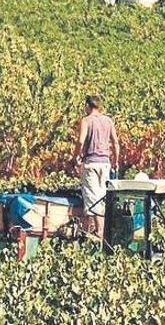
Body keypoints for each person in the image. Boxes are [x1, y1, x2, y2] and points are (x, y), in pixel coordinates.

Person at [74, 95, 120, 239]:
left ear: (88, 105)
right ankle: (99, 231)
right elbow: (116, 143)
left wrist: (76, 156)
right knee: (101, 197)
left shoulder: (86, 121)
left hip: (91, 163)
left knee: (91, 199)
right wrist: (116, 161)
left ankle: (98, 233)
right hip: (105, 164)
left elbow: (81, 141)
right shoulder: (108, 121)